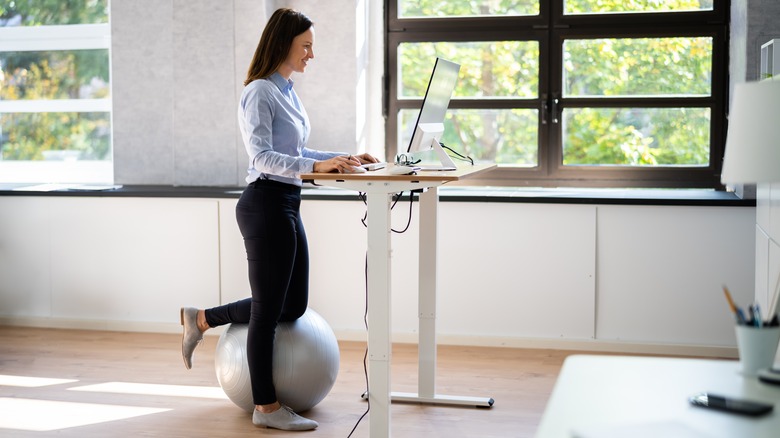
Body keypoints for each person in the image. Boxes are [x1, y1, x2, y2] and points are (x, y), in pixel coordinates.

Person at [179, 8, 378, 432]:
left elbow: (298, 151)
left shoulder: (287, 91)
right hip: (265, 204)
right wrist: (320, 168)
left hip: (287, 201)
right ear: (283, 42)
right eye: (306, 45)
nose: (311, 54)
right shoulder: (259, 93)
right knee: (269, 313)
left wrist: (343, 158)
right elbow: (262, 157)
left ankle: (201, 319)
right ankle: (266, 408)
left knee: (292, 305)